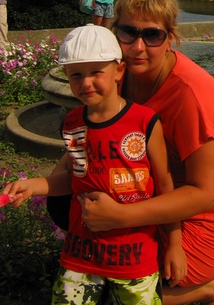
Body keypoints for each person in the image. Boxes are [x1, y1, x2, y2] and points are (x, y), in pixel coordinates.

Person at [48, 0, 214, 305]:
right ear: (115, 33)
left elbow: (206, 193)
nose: (138, 47)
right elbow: (89, 137)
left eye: (152, 35)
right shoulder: (119, 74)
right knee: (62, 199)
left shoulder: (192, 94)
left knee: (110, 295)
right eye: (128, 32)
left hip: (201, 221)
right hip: (143, 196)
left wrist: (119, 217)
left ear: (171, 38)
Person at [4, 24, 187, 305]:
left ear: (119, 71)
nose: (86, 82)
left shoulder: (145, 122)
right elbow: (75, 177)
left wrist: (174, 244)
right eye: (76, 75)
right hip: (81, 255)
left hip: (135, 257)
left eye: (96, 72)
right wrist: (33, 186)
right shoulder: (72, 122)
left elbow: (164, 185)